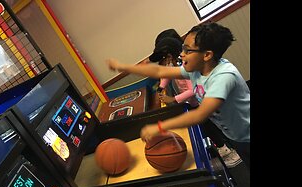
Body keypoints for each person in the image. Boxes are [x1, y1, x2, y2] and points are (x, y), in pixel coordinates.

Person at [106, 22, 250, 170]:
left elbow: (199, 114)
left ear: (207, 55)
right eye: (183, 49)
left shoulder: (223, 77)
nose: (181, 54)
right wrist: (123, 66)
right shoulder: (195, 69)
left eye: (187, 50)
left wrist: (160, 127)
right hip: (235, 134)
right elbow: (159, 72)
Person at [149, 30, 242, 168]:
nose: (164, 62)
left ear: (169, 54)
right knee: (206, 128)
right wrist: (161, 87)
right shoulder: (172, 63)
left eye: (164, 58)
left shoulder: (186, 65)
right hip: (193, 102)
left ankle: (228, 152)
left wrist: (174, 99)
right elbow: (166, 76)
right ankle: (221, 147)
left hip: (201, 102)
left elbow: (193, 89)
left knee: (211, 127)